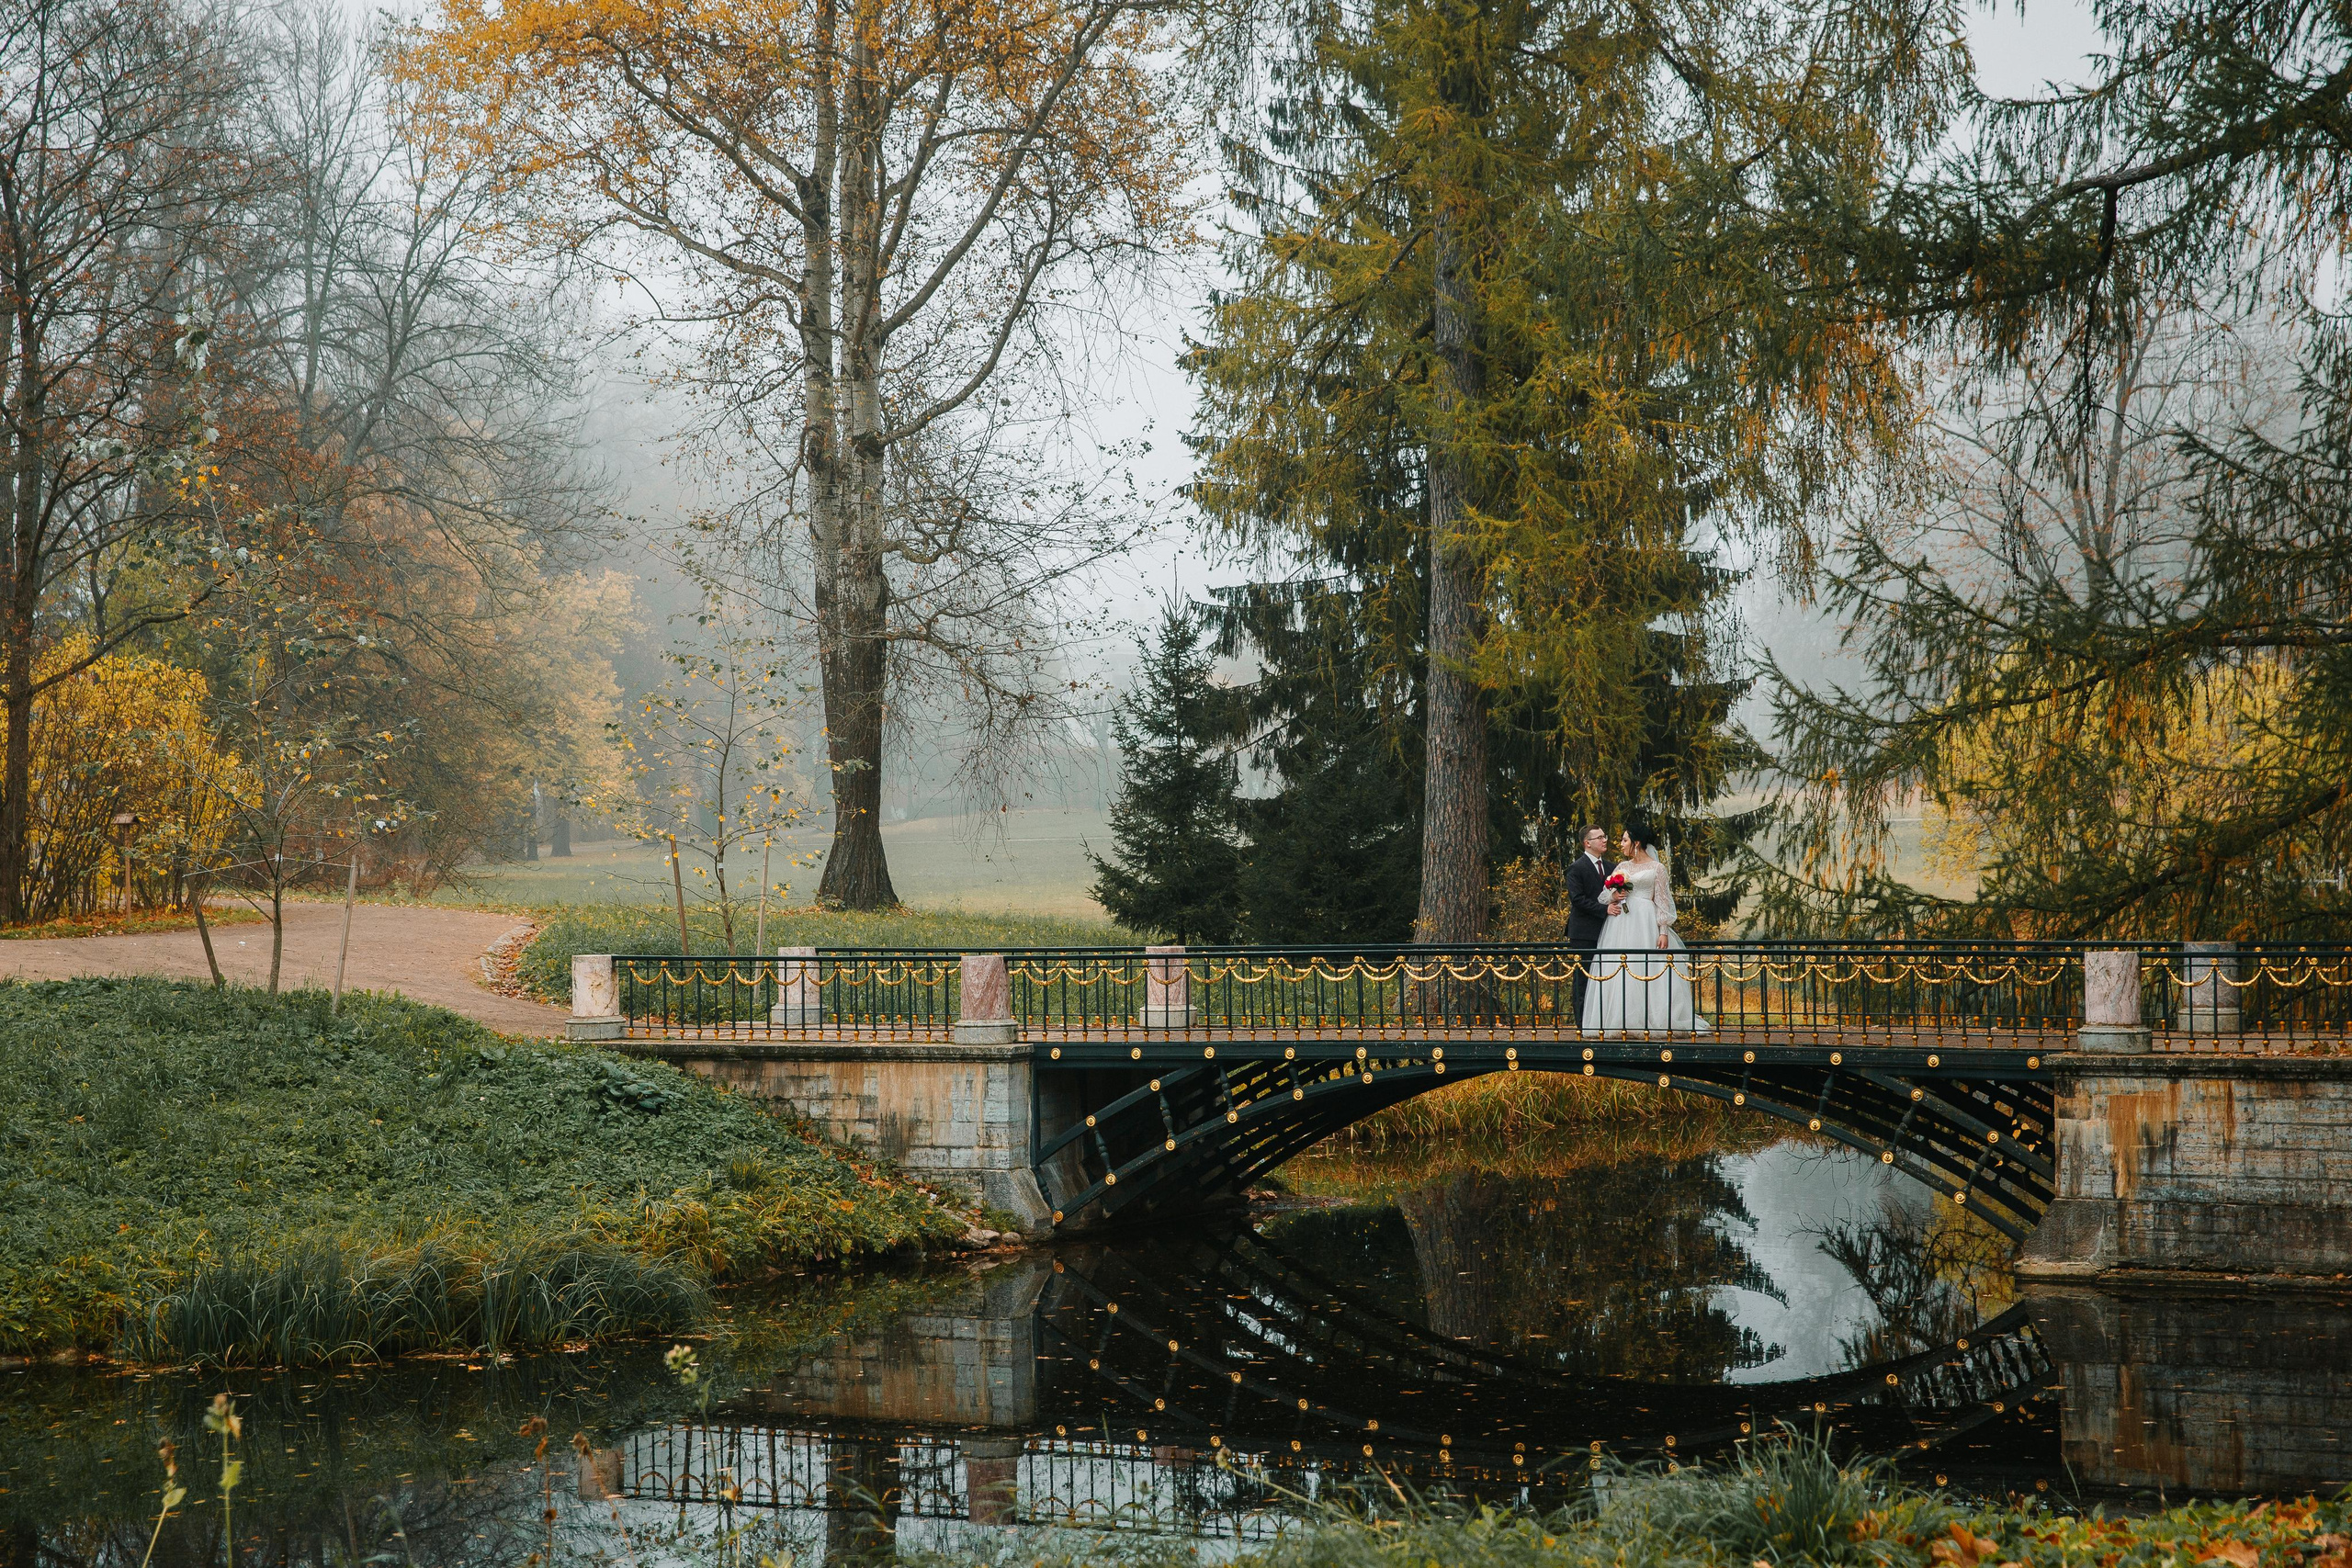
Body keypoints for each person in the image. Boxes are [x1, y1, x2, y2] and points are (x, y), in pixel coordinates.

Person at [1580, 823, 1709, 1034]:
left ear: (1636, 843)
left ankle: (1650, 1019)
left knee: (1648, 967)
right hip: (1621, 924)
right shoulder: (1622, 866)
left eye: (1624, 840)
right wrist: (1614, 896)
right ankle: (1619, 1021)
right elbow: (1603, 896)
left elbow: (1663, 902)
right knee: (1620, 967)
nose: (1620, 844)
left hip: (1646, 922)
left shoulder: (1657, 869)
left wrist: (1663, 931)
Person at [1563, 825, 1621, 1023]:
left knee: (1606, 976)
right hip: (1584, 933)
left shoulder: (1613, 868)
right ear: (1587, 843)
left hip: (1610, 931)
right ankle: (1582, 1024)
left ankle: (1602, 1020)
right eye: (1599, 837)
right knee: (1584, 978)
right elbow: (1577, 899)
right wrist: (1603, 909)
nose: (1605, 840)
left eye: (1605, 836)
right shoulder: (1576, 868)